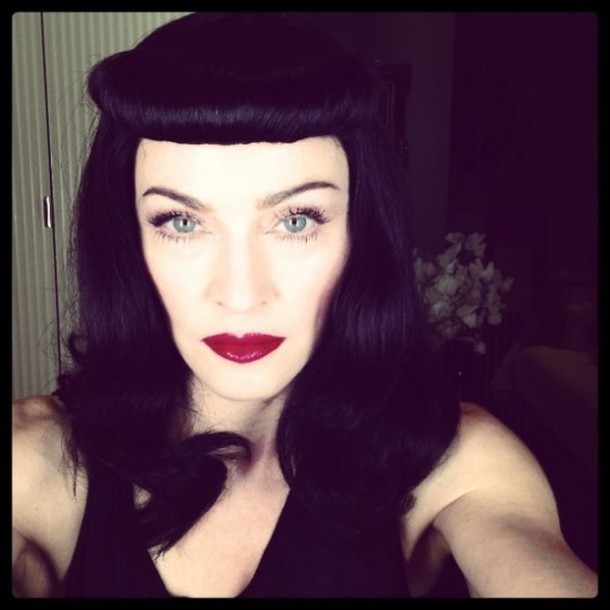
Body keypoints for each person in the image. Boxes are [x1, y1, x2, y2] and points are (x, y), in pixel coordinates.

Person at [12, 12, 597, 598]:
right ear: (129, 240)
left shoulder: (460, 461)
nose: (241, 294)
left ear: (359, 235)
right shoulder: (36, 463)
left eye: (296, 220)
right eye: (181, 222)